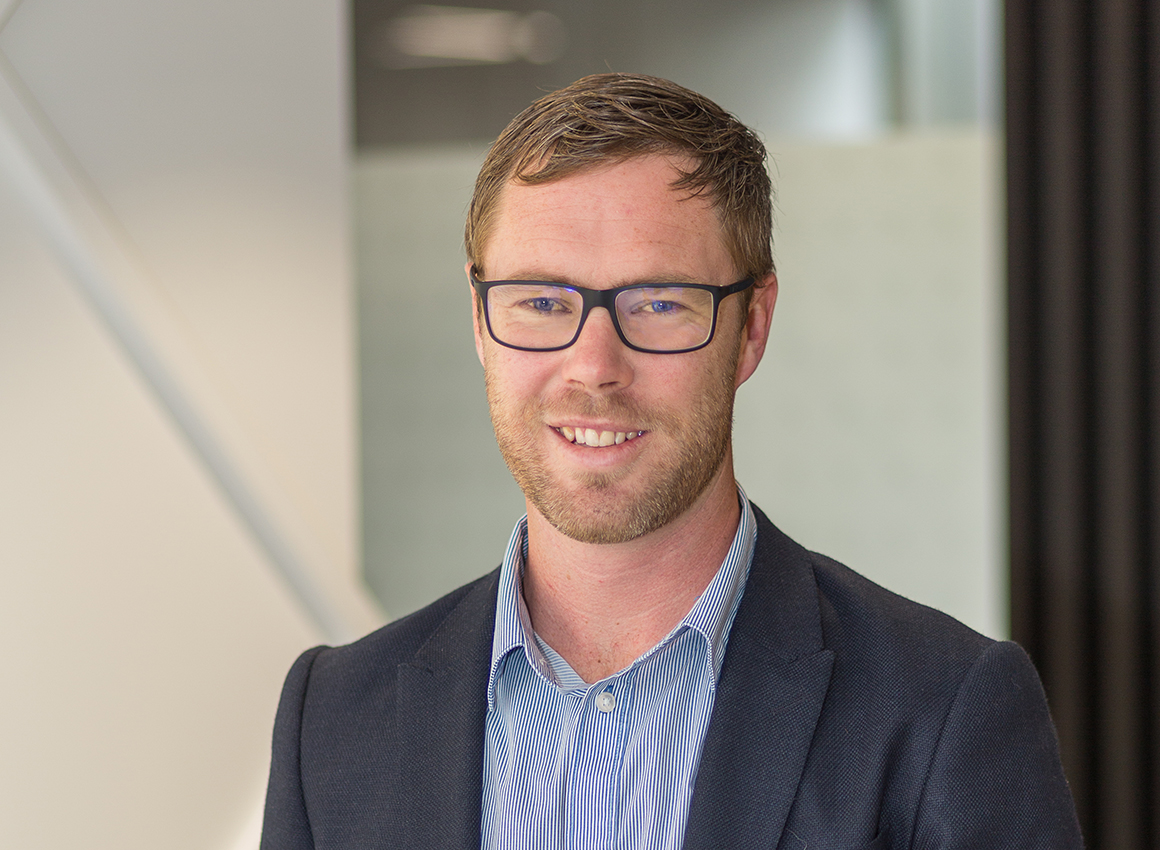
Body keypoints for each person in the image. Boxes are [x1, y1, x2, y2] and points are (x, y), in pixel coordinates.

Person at [260, 73, 1082, 850]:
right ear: (479, 320)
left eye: (657, 302)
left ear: (751, 327)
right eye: (541, 301)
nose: (594, 367)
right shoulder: (331, 720)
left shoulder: (942, 708)